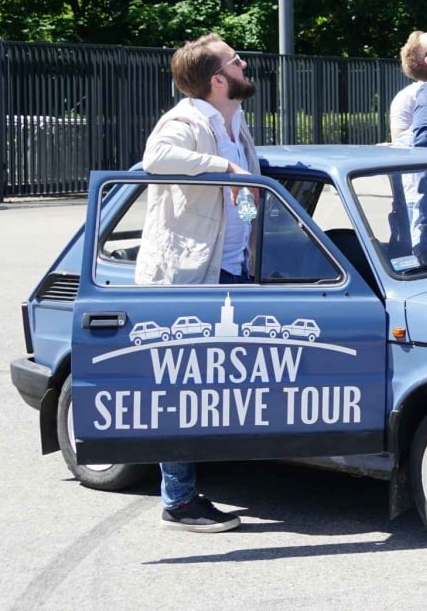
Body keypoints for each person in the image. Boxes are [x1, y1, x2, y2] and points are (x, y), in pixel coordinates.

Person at [137, 33, 256, 533]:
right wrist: (222, 166)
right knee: (183, 384)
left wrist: (250, 213)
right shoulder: (186, 120)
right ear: (217, 79)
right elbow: (154, 159)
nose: (244, 63)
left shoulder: (235, 120)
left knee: (222, 383)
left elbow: (248, 186)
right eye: (235, 60)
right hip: (189, 275)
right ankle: (178, 501)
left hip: (234, 270)